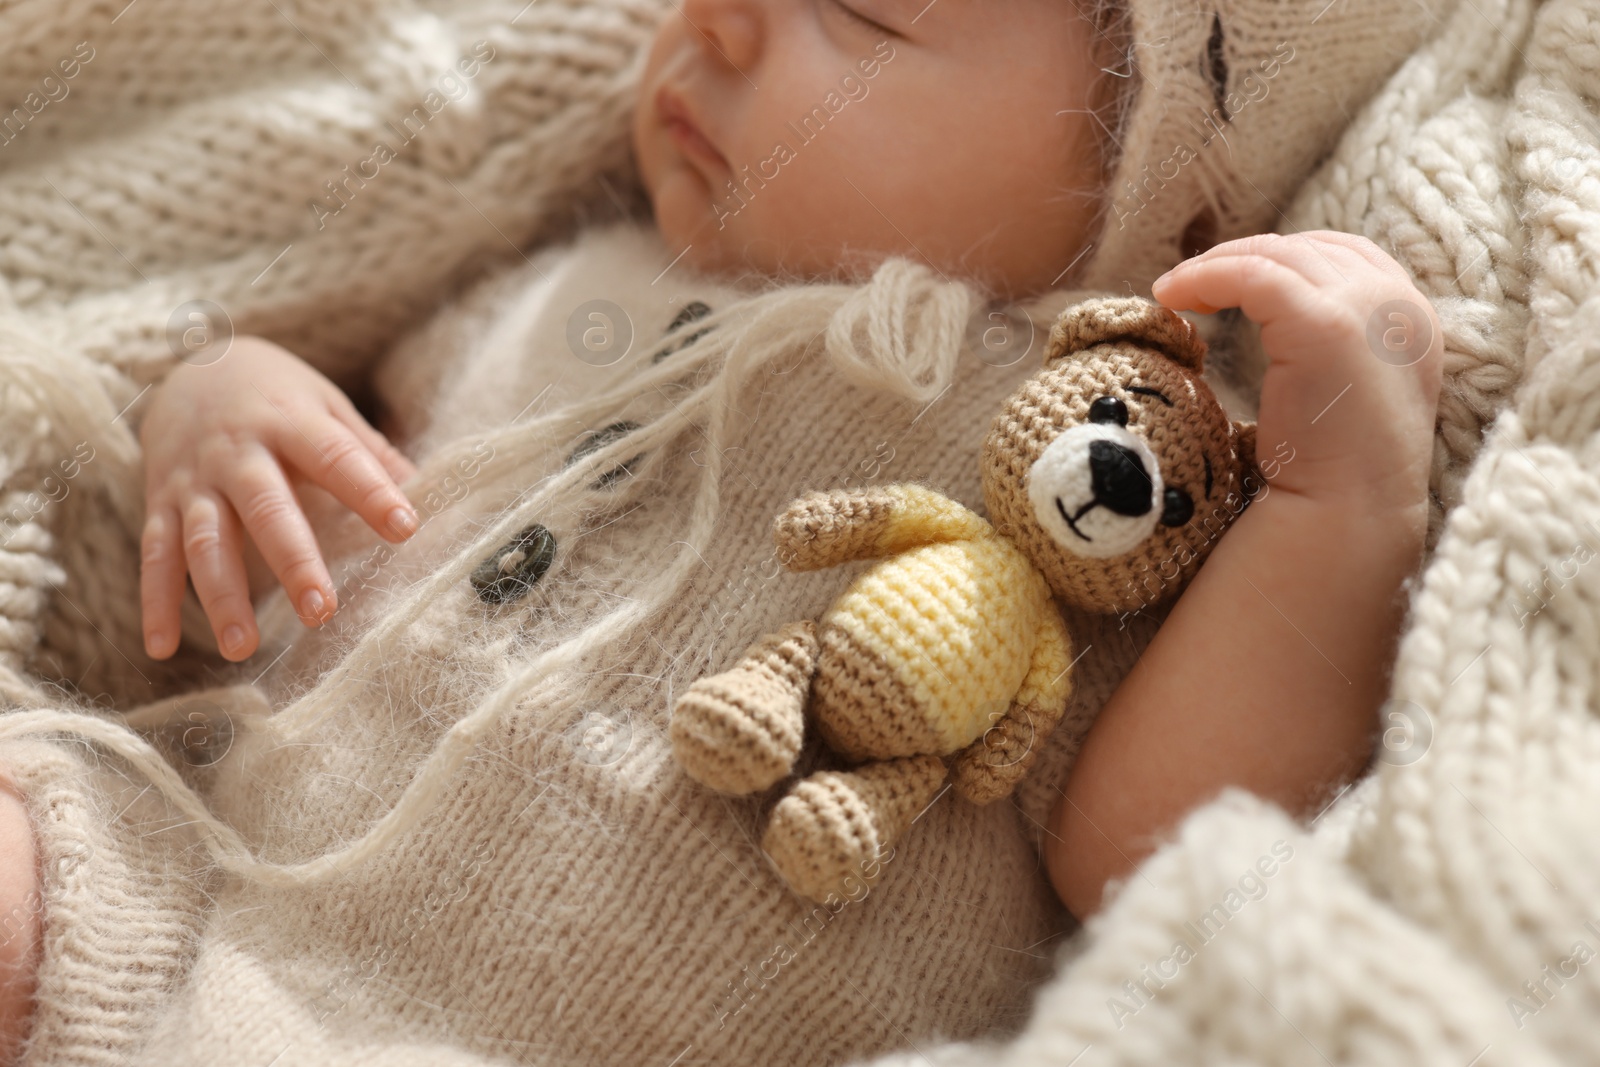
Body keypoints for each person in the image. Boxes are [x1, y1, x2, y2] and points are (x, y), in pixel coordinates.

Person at [0, 0, 1445, 1063]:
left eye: (861, 10)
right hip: (191, 903)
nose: (717, 23)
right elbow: (351, 510)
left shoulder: (1116, 457)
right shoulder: (591, 284)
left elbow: (1146, 851)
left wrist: (1338, 506)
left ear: (1169, 168)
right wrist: (226, 401)